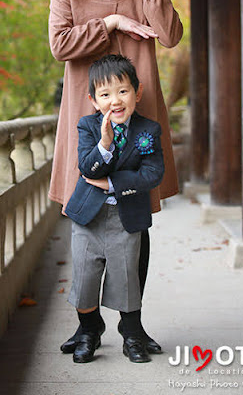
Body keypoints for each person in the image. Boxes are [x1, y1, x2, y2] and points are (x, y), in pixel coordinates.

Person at [48, 0, 183, 352]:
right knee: (85, 222)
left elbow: (169, 35)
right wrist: (112, 24)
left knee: (134, 220)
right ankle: (88, 326)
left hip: (138, 118)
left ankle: (132, 326)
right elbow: (61, 45)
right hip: (87, 121)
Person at [65, 54, 164, 363]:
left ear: (138, 92)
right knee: (84, 278)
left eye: (122, 91)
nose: (115, 101)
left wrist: (111, 185)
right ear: (94, 100)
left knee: (126, 278)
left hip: (127, 216)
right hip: (88, 217)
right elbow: (86, 167)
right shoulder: (88, 127)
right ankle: (89, 330)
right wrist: (105, 144)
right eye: (105, 94)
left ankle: (132, 336)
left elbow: (152, 174)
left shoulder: (148, 130)